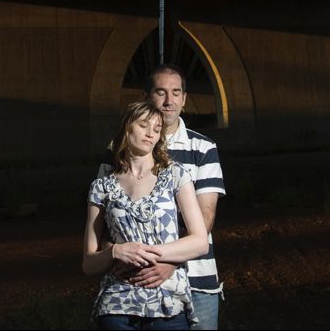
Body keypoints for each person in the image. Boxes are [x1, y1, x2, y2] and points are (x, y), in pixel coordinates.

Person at [101, 64, 226, 330]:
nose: (169, 101)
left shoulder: (202, 148)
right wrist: (118, 258)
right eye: (160, 92)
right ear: (146, 97)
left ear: (183, 98)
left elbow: (205, 217)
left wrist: (169, 262)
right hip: (136, 279)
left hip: (196, 277)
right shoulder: (116, 152)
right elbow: (105, 218)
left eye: (176, 92)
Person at [84, 101, 210, 330]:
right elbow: (89, 263)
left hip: (167, 303)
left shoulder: (175, 175)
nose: (151, 133)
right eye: (144, 125)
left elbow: (200, 242)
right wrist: (116, 251)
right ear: (126, 128)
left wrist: (149, 254)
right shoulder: (101, 187)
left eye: (157, 128)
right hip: (117, 305)